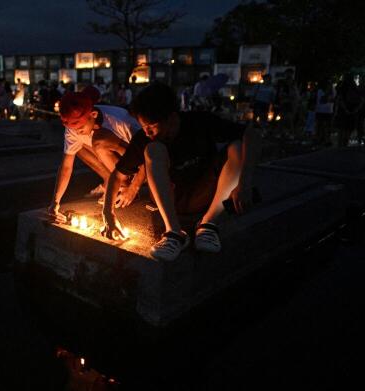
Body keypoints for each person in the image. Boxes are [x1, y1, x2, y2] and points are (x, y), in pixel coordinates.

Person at [101, 82, 262, 261]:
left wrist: (245, 183)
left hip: (207, 194)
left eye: (151, 126)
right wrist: (108, 214)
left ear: (171, 118)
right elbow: (117, 176)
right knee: (153, 149)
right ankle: (174, 233)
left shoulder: (199, 122)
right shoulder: (144, 139)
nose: (147, 132)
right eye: (143, 127)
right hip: (171, 198)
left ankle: (208, 224)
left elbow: (251, 134)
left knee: (237, 147)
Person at [48, 86, 144, 222]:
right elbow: (66, 166)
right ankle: (113, 184)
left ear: (93, 115)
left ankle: (123, 185)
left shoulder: (119, 122)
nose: (77, 132)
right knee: (75, 148)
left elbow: (147, 158)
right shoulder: (73, 130)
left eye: (80, 128)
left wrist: (134, 188)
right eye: (72, 129)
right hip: (121, 164)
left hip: (140, 165)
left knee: (99, 141)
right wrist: (55, 201)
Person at [315, 80, 335, 146]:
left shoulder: (333, 91)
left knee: (327, 126)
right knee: (321, 126)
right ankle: (320, 139)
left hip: (328, 111)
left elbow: (334, 100)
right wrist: (328, 97)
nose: (329, 86)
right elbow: (322, 101)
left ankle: (326, 139)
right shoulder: (320, 91)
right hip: (321, 111)